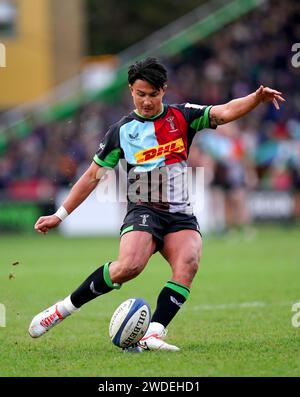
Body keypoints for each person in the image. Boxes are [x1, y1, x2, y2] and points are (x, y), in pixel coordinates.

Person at [29, 57, 285, 352]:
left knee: (188, 262)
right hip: (144, 210)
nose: (146, 101)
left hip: (179, 214)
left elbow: (224, 112)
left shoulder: (183, 116)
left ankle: (153, 333)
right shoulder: (121, 131)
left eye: (153, 94)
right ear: (131, 91)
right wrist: (59, 215)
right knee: (130, 266)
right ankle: (62, 309)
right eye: (140, 94)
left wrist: (255, 98)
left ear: (164, 90)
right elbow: (91, 177)